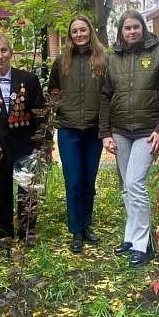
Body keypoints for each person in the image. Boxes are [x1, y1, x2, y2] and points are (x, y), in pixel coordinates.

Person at [99, 9, 159, 268]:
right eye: (127, 28)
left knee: (135, 183)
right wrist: (105, 133)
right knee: (127, 187)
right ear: (120, 32)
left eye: (136, 27)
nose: (132, 31)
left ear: (143, 28)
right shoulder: (113, 58)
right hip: (119, 131)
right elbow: (105, 96)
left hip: (146, 131)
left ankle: (144, 244)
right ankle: (131, 238)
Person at [0, 34, 46, 245]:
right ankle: (4, 232)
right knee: (2, 190)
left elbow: (41, 115)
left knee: (27, 191)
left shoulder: (28, 79)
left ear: (11, 53)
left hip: (25, 146)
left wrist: (40, 146)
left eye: (3, 50)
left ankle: (27, 232)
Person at [48, 15, 106, 253]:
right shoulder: (62, 61)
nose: (79, 34)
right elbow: (52, 91)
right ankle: (75, 232)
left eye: (83, 30)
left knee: (88, 181)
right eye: (75, 31)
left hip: (94, 130)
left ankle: (86, 225)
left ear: (90, 31)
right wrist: (58, 110)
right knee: (73, 182)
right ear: (70, 36)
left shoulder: (102, 60)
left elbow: (109, 93)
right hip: (69, 129)